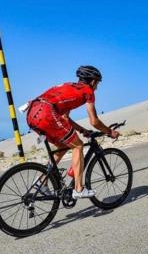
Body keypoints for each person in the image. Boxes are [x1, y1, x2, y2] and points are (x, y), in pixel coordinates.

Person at [25, 65, 120, 199]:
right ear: (93, 81)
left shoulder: (69, 87)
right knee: (78, 145)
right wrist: (110, 131)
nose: (97, 87)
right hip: (46, 113)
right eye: (97, 83)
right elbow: (94, 121)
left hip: (32, 113)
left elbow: (64, 118)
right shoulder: (88, 91)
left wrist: (82, 130)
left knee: (63, 145)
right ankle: (79, 189)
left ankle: (41, 181)